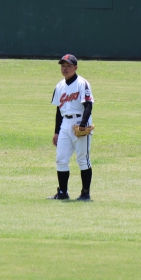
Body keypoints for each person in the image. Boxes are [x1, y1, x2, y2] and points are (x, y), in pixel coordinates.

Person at [48, 54, 94, 201]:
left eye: (68, 66)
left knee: (82, 159)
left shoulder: (82, 83)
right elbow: (58, 111)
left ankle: (85, 193)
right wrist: (56, 132)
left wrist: (82, 125)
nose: (65, 68)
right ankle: (62, 192)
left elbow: (88, 105)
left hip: (80, 121)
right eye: (63, 66)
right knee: (61, 159)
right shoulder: (59, 86)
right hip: (65, 124)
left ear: (75, 67)